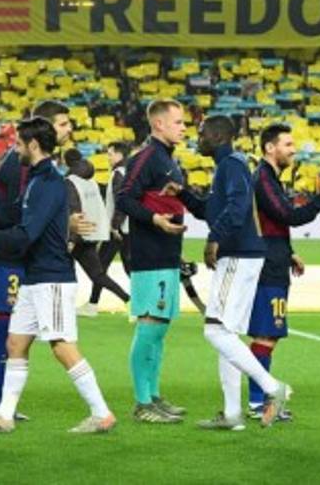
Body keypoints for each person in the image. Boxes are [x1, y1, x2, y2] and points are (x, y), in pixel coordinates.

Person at [0, 117, 115, 434]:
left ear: (33, 145)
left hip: (52, 279)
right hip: (35, 279)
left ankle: (101, 413)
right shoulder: (37, 180)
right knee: (16, 343)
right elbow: (13, 215)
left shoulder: (47, 183)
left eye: (18, 144)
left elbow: (26, 233)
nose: (15, 149)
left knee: (61, 346)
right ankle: (4, 414)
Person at [0, 99, 75, 409]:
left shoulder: (41, 167)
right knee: (6, 327)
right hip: (6, 255)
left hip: (16, 251)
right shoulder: (20, 164)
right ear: (46, 130)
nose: (70, 129)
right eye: (64, 123)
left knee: (15, 331)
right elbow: (7, 213)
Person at [195, 115, 292, 431]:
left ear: (218, 135)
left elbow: (237, 207)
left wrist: (214, 238)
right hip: (246, 255)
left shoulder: (232, 164)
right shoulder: (230, 165)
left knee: (214, 330)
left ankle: (273, 388)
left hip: (237, 255)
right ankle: (233, 414)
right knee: (226, 334)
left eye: (202, 133)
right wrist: (182, 193)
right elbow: (213, 209)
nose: (198, 137)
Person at [247, 124, 320, 419]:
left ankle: (258, 400)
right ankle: (258, 403)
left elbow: (274, 222)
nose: (293, 149)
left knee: (266, 335)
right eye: (287, 144)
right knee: (267, 335)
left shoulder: (270, 178)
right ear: (269, 147)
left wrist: (289, 252)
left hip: (274, 258)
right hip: (268, 264)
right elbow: (288, 215)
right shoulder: (263, 177)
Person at [117, 99, 203, 423]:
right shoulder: (147, 157)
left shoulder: (168, 159)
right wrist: (155, 220)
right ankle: (142, 403)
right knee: (150, 327)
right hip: (149, 255)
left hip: (166, 254)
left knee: (160, 329)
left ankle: (153, 395)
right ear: (159, 124)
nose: (184, 127)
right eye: (178, 122)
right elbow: (125, 197)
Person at [64, 149, 128, 317]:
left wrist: (71, 239)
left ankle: (65, 305)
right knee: (98, 274)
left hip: (79, 234)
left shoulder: (70, 181)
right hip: (93, 232)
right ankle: (127, 300)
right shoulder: (90, 180)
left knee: (66, 270)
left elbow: (74, 210)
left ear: (66, 162)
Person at [89, 141, 132, 311]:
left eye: (110, 153)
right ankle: (93, 304)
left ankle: (134, 303)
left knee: (99, 267)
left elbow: (120, 202)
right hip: (124, 228)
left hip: (117, 230)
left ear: (119, 155)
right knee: (107, 267)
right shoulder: (125, 172)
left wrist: (114, 226)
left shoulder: (118, 174)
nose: (108, 157)